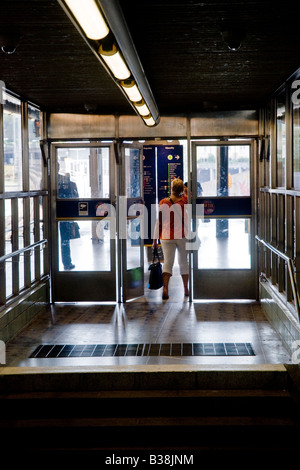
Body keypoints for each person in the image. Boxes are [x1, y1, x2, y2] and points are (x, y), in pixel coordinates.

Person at [152, 178, 189, 299]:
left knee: (168, 263)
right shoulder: (184, 201)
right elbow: (190, 197)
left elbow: (159, 222)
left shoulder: (163, 202)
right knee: (183, 262)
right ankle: (186, 289)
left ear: (171, 188)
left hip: (166, 236)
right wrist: (185, 191)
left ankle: (166, 288)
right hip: (181, 236)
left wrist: (154, 240)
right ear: (181, 189)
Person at [57, 171, 79, 270]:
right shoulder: (70, 183)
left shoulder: (47, 181)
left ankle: (50, 265)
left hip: (52, 214)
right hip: (65, 215)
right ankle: (66, 263)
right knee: (65, 241)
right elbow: (76, 198)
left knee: (58, 240)